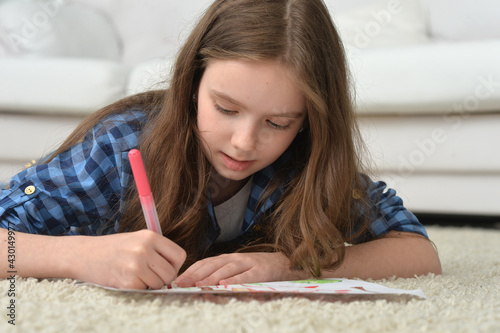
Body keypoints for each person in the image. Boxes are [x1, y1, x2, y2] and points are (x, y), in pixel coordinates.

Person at [0, 0, 441, 290]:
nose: (245, 143)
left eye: (278, 122)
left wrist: (290, 266)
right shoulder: (122, 146)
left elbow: (419, 252)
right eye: (226, 109)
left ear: (309, 123)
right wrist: (79, 257)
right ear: (191, 84)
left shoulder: (307, 161)